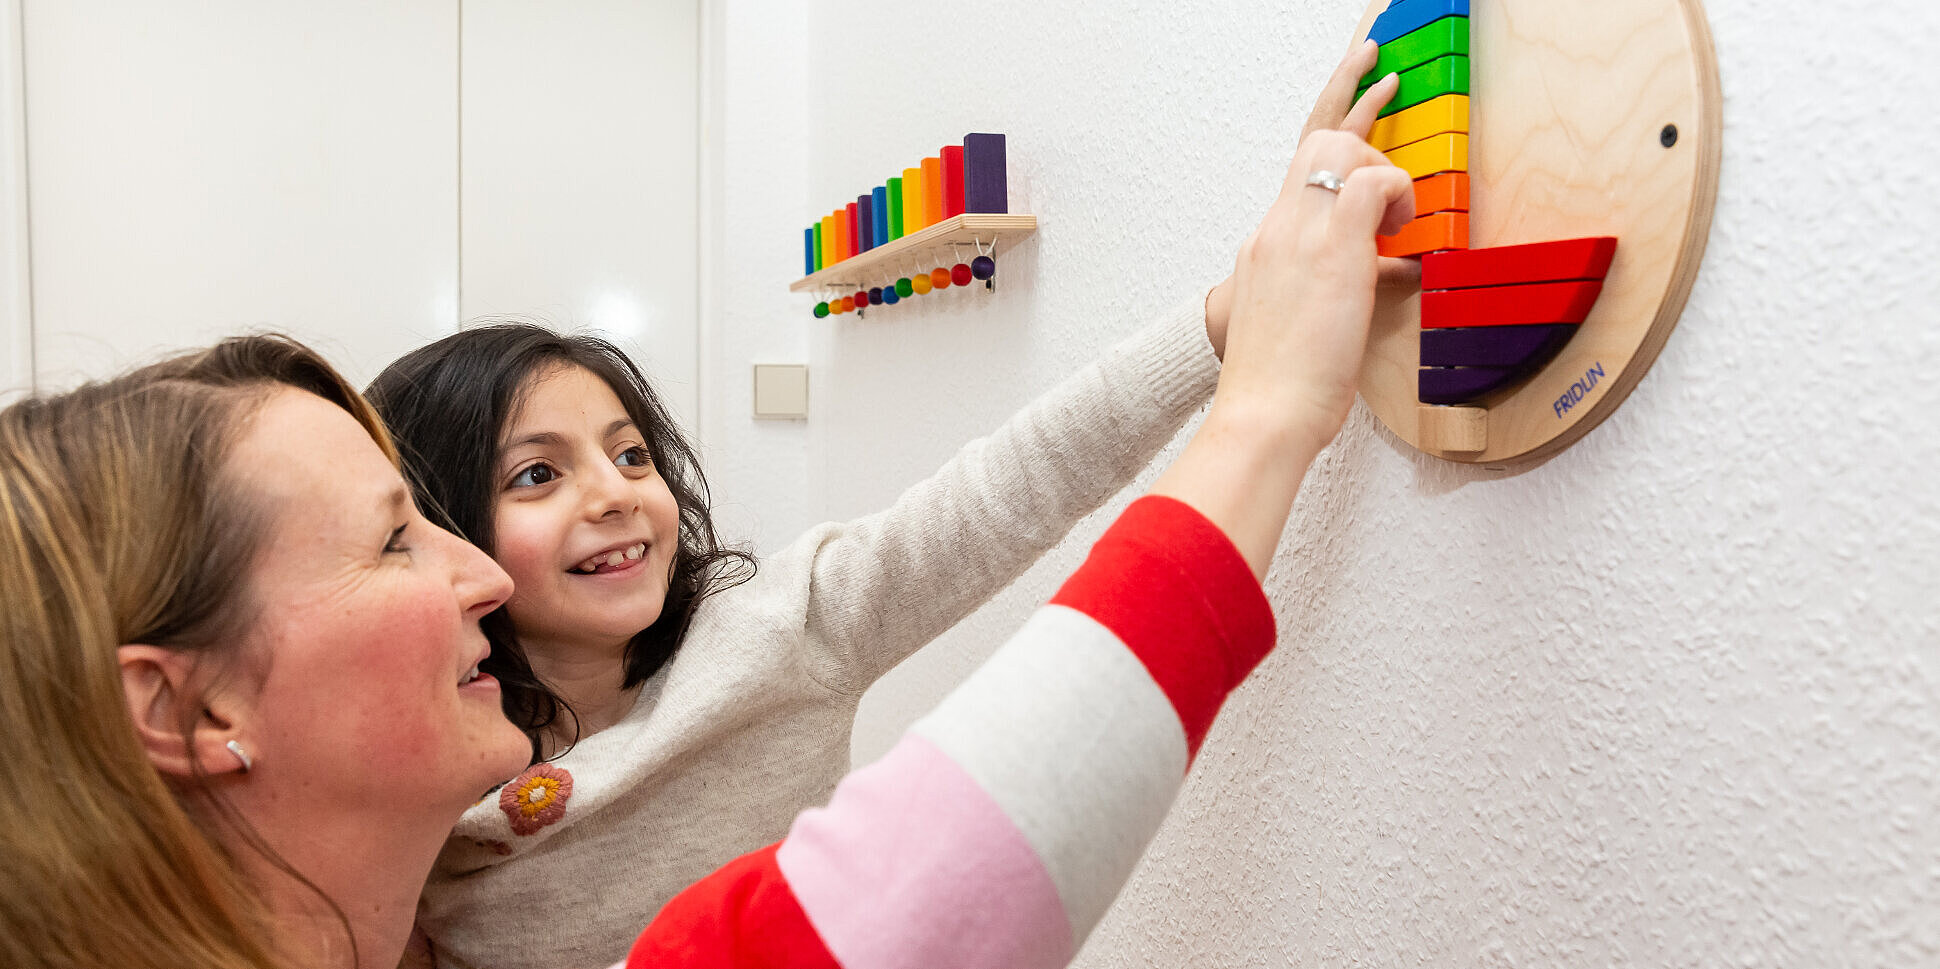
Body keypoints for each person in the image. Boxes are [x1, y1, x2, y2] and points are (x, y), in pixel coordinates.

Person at [0, 69, 1410, 969]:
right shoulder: (451, 851)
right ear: (180, 714)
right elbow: (897, 899)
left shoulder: (772, 625)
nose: (482, 568)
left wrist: (1228, 333)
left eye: (627, 452)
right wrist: (1272, 400)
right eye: (398, 534)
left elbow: (1001, 489)